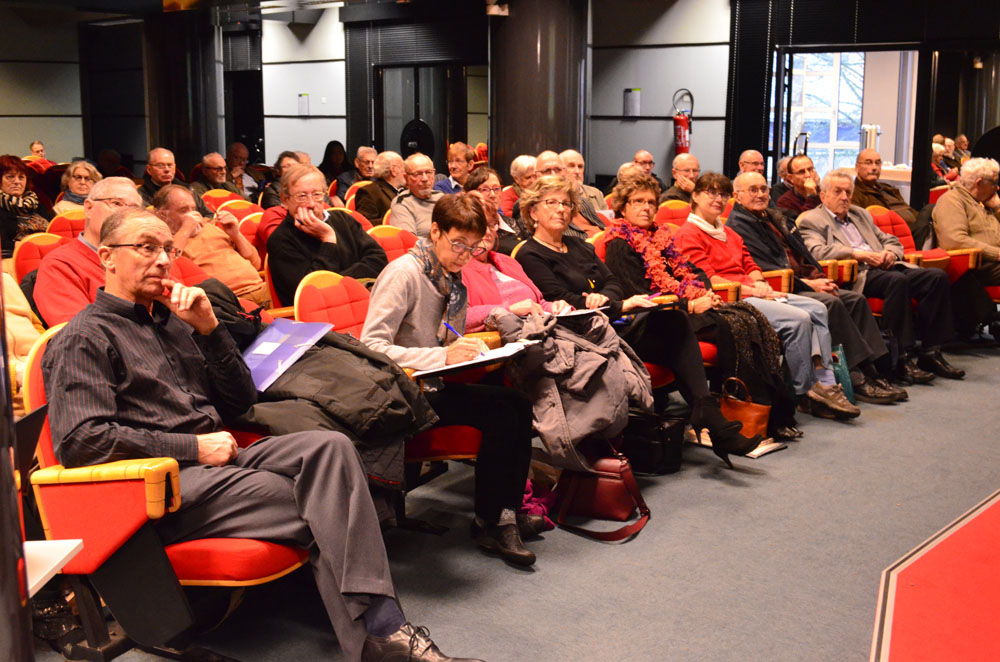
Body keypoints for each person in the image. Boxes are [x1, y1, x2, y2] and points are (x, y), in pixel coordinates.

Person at [42, 206, 480, 662]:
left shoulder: (174, 322)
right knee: (328, 500)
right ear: (107, 257)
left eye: (169, 249)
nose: (163, 260)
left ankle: (379, 638)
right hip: (162, 485)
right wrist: (192, 446)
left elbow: (239, 401)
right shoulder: (84, 337)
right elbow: (81, 441)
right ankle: (385, 635)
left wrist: (211, 330)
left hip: (221, 461)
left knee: (331, 448)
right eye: (147, 248)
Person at [514, 175, 764, 465]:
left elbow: (612, 282)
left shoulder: (580, 246)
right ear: (533, 212)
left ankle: (709, 414)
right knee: (679, 325)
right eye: (552, 203)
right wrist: (610, 302)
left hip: (612, 322)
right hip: (580, 335)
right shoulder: (530, 254)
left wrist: (605, 299)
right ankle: (710, 417)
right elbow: (560, 298)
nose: (561, 209)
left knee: (676, 322)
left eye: (566, 204)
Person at [361, 194, 541, 565]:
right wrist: (442, 355)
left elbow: (441, 336)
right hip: (402, 394)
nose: (465, 255)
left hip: (433, 384)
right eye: (458, 244)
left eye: (473, 248)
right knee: (502, 413)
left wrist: (468, 348)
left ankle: (503, 512)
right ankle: (492, 521)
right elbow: (372, 347)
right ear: (435, 231)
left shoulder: (450, 277)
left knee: (518, 403)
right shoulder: (404, 274)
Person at [603, 174, 803, 439]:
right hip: (657, 319)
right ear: (622, 207)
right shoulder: (620, 243)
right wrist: (690, 304)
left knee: (750, 319)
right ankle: (739, 413)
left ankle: (771, 413)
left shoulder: (660, 238)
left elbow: (691, 271)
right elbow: (640, 295)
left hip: (683, 307)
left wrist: (703, 292)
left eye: (651, 202)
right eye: (638, 201)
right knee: (732, 326)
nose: (646, 208)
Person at [674, 173, 861, 420]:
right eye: (711, 193)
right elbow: (710, 281)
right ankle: (806, 391)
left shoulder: (727, 232)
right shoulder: (688, 234)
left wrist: (762, 284)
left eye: (723, 194)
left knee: (818, 308)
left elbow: (750, 265)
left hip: (753, 291)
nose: (718, 199)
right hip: (730, 298)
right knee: (799, 319)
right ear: (696, 196)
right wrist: (755, 290)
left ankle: (825, 382)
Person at [727, 172, 905, 404]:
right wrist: (809, 283)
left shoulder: (773, 217)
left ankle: (876, 371)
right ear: (737, 196)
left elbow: (804, 256)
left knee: (855, 300)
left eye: (763, 189)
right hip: (781, 286)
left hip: (800, 279)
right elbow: (765, 268)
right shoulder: (739, 226)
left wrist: (819, 276)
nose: (760, 194)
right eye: (753, 190)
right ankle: (856, 378)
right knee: (831, 303)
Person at [797, 168, 964, 383]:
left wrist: (889, 253)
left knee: (935, 277)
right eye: (838, 192)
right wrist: (858, 254)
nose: (845, 197)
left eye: (848, 192)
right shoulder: (812, 220)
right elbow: (816, 251)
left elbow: (891, 241)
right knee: (897, 281)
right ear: (823, 196)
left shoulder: (860, 214)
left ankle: (931, 352)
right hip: (857, 274)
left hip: (884, 267)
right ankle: (899, 357)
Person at [34, 177, 208, 326]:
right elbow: (79, 334)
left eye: (134, 208)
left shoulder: (150, 258)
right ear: (88, 208)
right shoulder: (59, 265)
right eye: (116, 203)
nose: (125, 213)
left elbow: (183, 310)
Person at [267, 165, 387, 305]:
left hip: (366, 302)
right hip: (320, 314)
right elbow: (311, 291)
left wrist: (340, 281)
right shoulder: (280, 240)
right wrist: (328, 240)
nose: (311, 204)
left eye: (317, 194)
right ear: (285, 200)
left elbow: (379, 261)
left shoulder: (343, 219)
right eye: (302, 196)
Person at [153, 185, 270, 307]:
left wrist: (236, 234)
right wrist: (185, 231)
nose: (193, 215)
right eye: (184, 210)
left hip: (261, 289)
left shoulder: (210, 228)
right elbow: (168, 268)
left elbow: (256, 263)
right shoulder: (162, 241)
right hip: (227, 302)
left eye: (193, 209)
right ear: (163, 215)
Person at [931, 157, 1000, 334]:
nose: (997, 188)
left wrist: (998, 209)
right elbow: (955, 241)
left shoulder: (984, 203)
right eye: (994, 183)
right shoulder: (952, 201)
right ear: (979, 182)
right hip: (973, 268)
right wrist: (997, 253)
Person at [850, 148, 931, 246]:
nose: (874, 167)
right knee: (930, 209)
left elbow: (907, 208)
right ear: (857, 167)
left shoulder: (887, 188)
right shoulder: (854, 193)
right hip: (899, 237)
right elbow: (860, 225)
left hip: (917, 227)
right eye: (868, 163)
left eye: (878, 163)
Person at [527, 151, 603, 238]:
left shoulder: (581, 201)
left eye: (557, 170)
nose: (553, 175)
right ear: (535, 176)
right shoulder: (529, 204)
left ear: (564, 172)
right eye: (547, 171)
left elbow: (604, 230)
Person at [464, 166, 527, 254]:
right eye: (485, 189)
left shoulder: (514, 224)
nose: (493, 195)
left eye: (496, 189)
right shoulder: (467, 228)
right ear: (472, 194)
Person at [0, 154, 50, 259]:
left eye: (21, 177)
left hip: (48, 255)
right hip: (14, 259)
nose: (17, 182)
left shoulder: (38, 205)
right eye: (10, 177)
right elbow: (3, 245)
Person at [390, 153, 444, 238]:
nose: (425, 178)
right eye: (417, 174)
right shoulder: (402, 204)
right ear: (406, 178)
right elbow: (409, 241)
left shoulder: (441, 197)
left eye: (428, 172)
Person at [139, 148, 200, 212]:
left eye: (170, 165)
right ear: (149, 169)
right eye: (160, 165)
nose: (167, 169)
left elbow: (206, 214)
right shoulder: (140, 195)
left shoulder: (188, 189)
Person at [354, 151, 404, 224]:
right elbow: (364, 224)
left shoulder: (406, 191)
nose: (405, 172)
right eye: (403, 167)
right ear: (393, 170)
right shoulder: (369, 192)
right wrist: (392, 220)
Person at [776, 154, 822, 222]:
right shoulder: (785, 202)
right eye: (801, 172)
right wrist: (811, 196)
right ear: (791, 178)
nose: (808, 175)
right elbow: (803, 224)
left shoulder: (824, 193)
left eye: (810, 169)